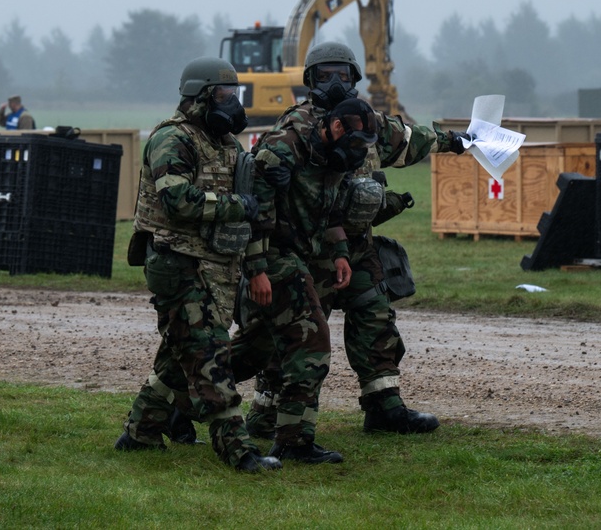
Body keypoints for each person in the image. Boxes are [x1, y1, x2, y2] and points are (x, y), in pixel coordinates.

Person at [242, 41, 470, 439]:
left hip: (354, 245)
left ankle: (384, 406)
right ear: (310, 80)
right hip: (304, 248)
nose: (334, 82)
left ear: (355, 79)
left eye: (343, 74)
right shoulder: (295, 130)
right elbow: (265, 195)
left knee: (375, 314)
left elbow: (411, 139)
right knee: (290, 336)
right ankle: (265, 412)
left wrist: (461, 141)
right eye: (325, 74)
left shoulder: (367, 122)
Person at [113, 56, 281, 474]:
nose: (233, 103)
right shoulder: (173, 139)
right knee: (209, 356)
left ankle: (140, 434)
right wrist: (236, 205)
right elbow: (178, 200)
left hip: (213, 264)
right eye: (225, 94)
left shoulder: (224, 143)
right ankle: (237, 450)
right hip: (178, 262)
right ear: (201, 96)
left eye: (234, 94)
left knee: (177, 354)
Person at [227, 96, 381, 465]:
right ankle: (294, 440)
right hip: (273, 256)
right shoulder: (284, 148)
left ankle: (174, 401)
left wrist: (340, 250)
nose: (359, 152)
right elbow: (253, 210)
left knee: (256, 348)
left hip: (300, 254)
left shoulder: (332, 154)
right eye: (357, 142)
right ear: (338, 127)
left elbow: (325, 209)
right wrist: (257, 270)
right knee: (312, 341)